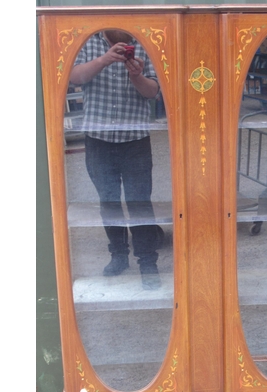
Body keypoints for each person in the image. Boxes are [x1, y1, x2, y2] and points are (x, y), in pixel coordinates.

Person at [70, 29, 162, 289]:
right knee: (108, 202)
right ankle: (118, 256)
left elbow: (152, 92)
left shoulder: (146, 43)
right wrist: (105, 59)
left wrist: (136, 75)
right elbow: (74, 76)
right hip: (97, 139)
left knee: (140, 204)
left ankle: (148, 264)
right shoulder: (89, 41)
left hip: (135, 140)